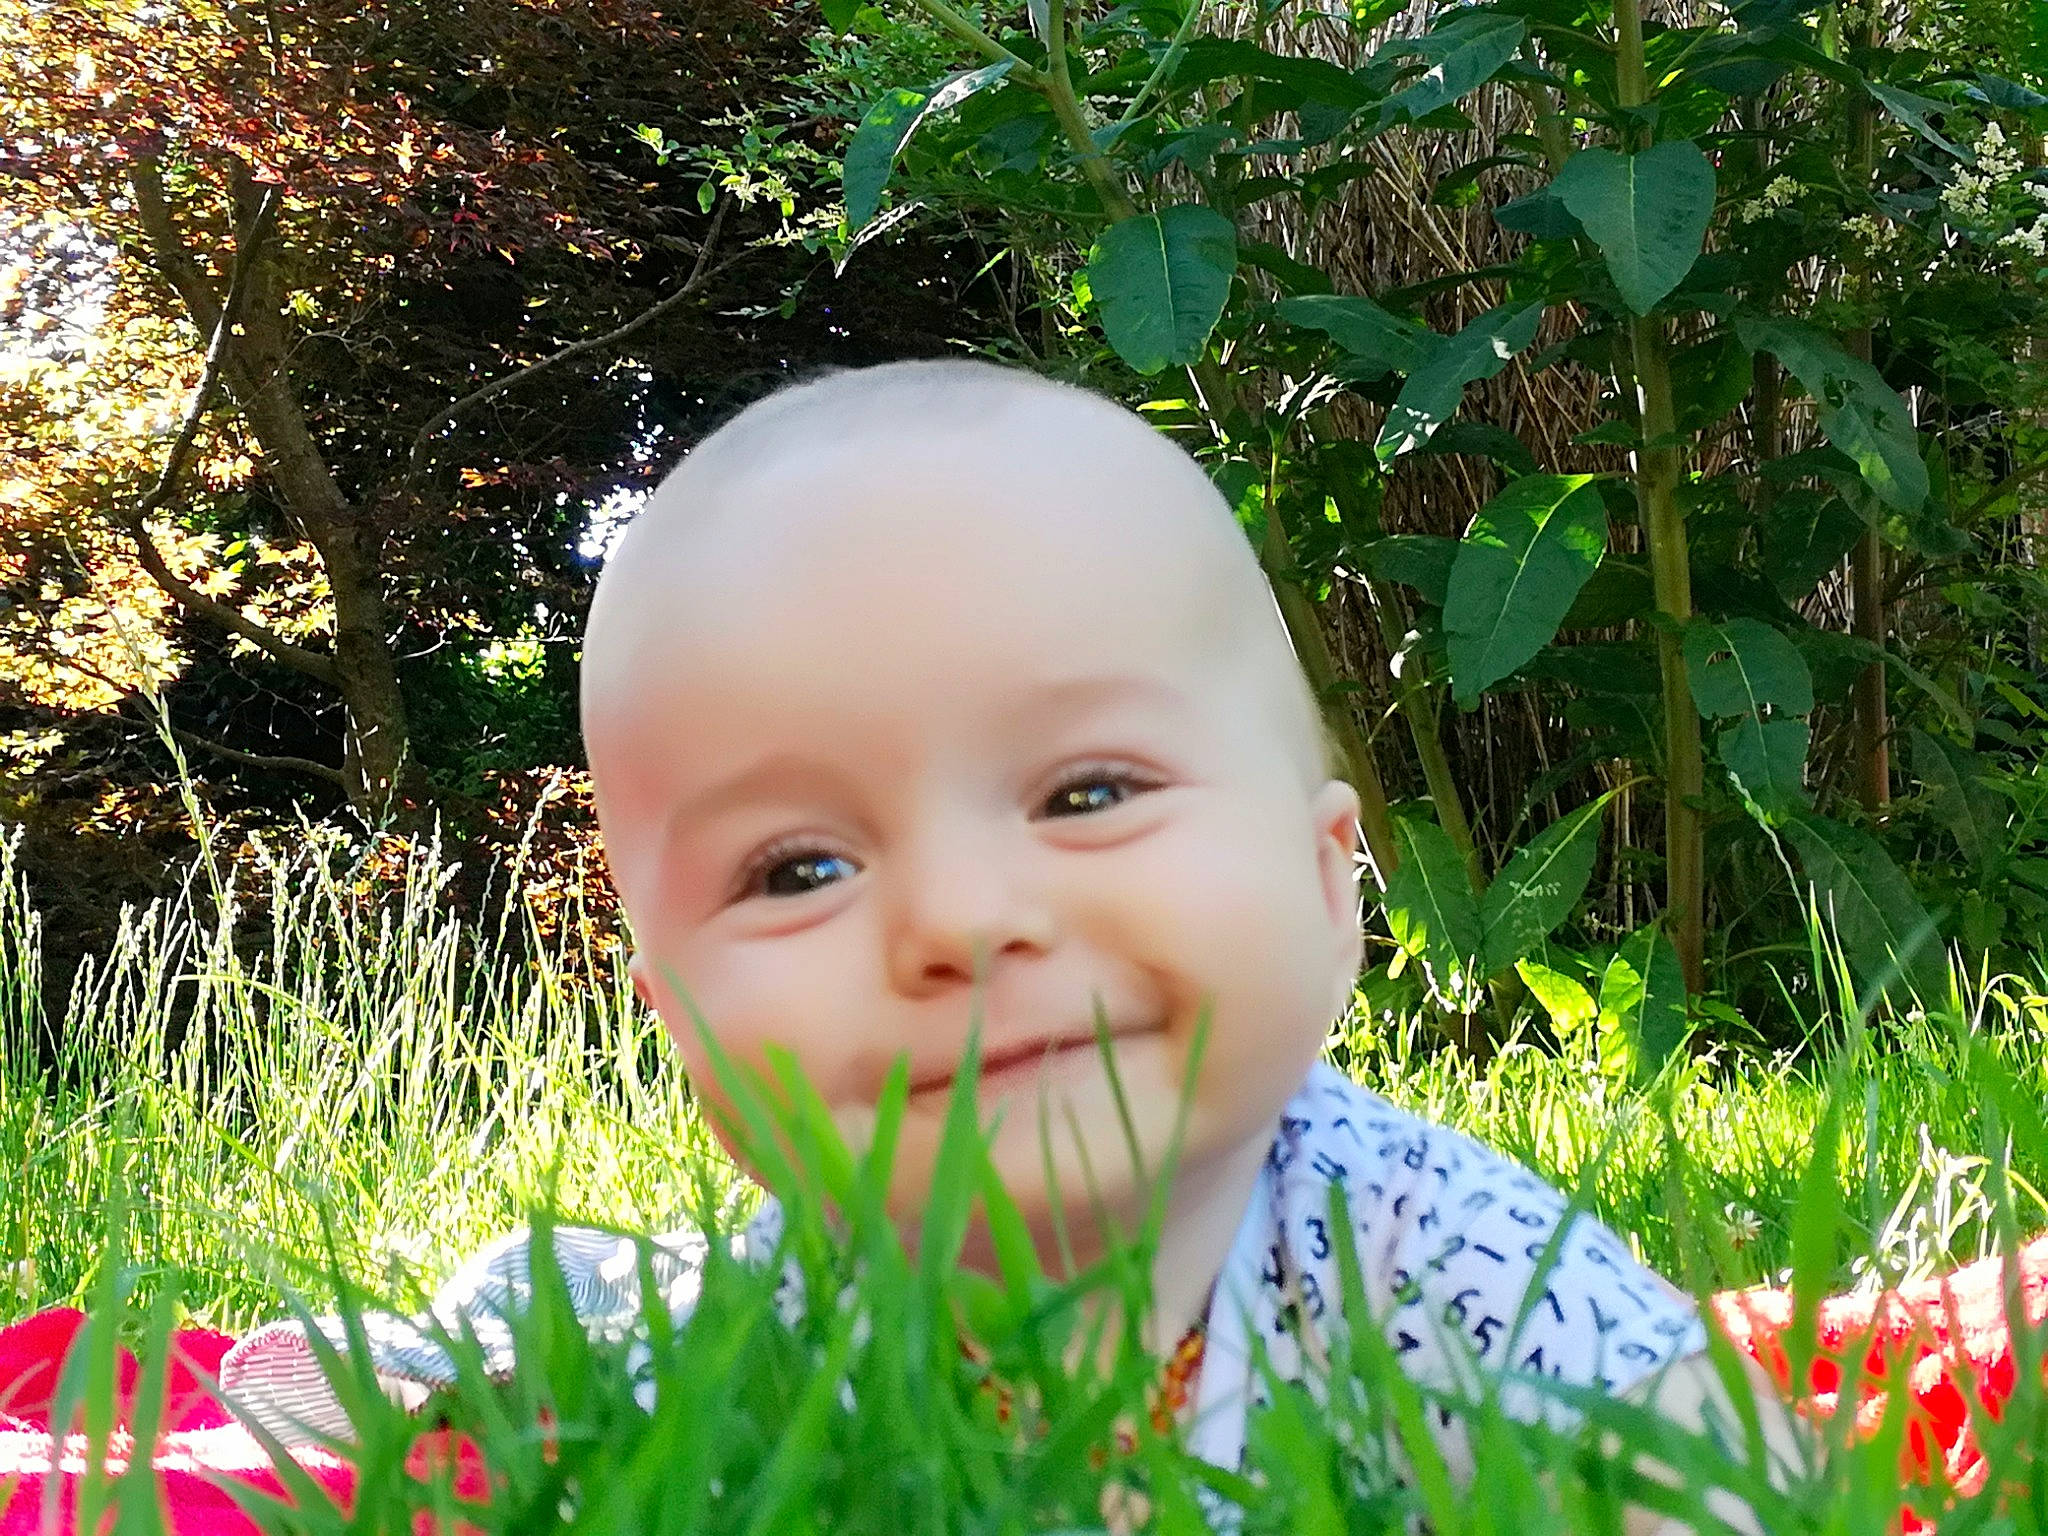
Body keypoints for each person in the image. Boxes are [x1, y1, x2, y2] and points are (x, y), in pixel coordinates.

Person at [220, 357, 1806, 1528]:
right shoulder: (754, 1352)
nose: (965, 922)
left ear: (1334, 889)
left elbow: (1722, 1479)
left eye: (1089, 789)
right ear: (682, 1026)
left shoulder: (1435, 1262)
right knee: (565, 1336)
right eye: (798, 867)